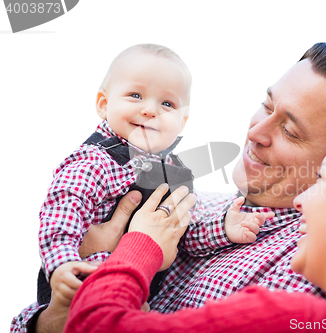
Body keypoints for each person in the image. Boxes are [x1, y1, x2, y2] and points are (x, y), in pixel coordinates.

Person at [11, 42, 326, 332]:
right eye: (266, 105)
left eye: (290, 131)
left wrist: (133, 248)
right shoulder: (198, 201)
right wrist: (50, 315)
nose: (256, 131)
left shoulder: (306, 268)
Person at [63, 121, 326, 333]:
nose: (301, 202)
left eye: (322, 181)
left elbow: (95, 325)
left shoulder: (285, 317)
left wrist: (139, 245)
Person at [12, 44, 272, 333]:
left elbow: (183, 233)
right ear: (103, 104)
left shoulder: (177, 174)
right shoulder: (96, 160)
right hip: (82, 283)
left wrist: (223, 228)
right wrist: (63, 264)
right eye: (135, 95)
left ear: (182, 121)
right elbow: (62, 212)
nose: (150, 110)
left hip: (134, 303)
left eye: (168, 104)